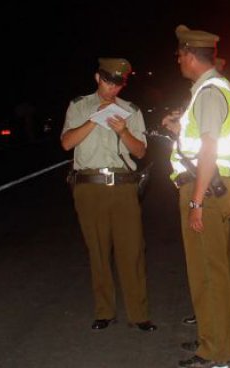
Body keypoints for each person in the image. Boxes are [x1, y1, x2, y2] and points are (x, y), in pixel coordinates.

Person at [163, 25, 230, 368]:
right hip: (211, 187)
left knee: (208, 274)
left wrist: (195, 201)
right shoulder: (214, 89)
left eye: (180, 54)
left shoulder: (210, 91)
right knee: (216, 269)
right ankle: (213, 338)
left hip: (205, 190)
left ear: (192, 57)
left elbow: (209, 148)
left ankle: (216, 352)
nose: (178, 60)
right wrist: (181, 128)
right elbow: (205, 138)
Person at [60, 57, 157, 333]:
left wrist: (122, 130)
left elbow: (139, 151)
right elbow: (67, 143)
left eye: (117, 84)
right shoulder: (79, 106)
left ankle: (139, 314)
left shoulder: (131, 110)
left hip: (124, 187)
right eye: (107, 82)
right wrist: (94, 119)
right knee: (98, 251)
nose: (111, 89)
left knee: (132, 250)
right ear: (97, 78)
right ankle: (104, 311)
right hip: (88, 186)